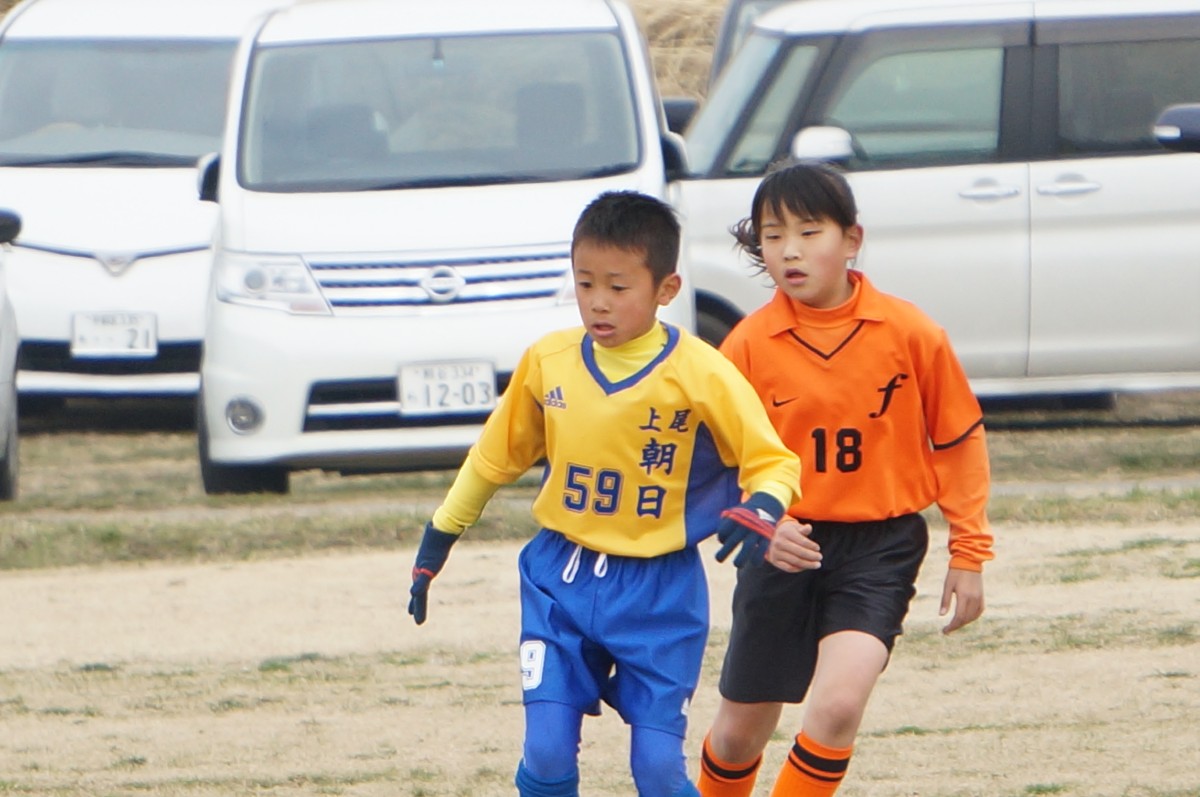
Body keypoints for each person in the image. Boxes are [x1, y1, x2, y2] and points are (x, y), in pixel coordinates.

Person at [406, 190, 803, 797]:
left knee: (658, 769)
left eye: (618, 287)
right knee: (545, 753)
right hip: (560, 578)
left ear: (666, 289)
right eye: (585, 282)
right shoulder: (549, 361)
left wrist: (764, 506)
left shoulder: (702, 372)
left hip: (660, 592)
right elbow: (493, 458)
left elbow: (772, 460)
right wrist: (440, 536)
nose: (598, 301)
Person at [696, 161, 994, 797]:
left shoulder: (910, 333)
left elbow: (959, 440)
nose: (790, 251)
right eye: (773, 236)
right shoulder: (746, 346)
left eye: (809, 232)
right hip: (783, 547)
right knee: (738, 735)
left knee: (836, 708)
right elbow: (716, 464)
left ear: (852, 239)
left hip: (879, 547)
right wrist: (762, 523)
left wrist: (969, 552)